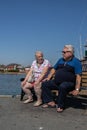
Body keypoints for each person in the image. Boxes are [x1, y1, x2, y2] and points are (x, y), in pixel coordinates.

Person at [42, 44, 82, 112]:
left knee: (62, 86)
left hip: (69, 84)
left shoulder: (76, 61)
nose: (62, 53)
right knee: (45, 84)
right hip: (57, 82)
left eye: (64, 52)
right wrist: (48, 78)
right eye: (62, 52)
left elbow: (78, 76)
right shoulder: (60, 60)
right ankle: (50, 102)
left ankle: (60, 105)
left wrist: (77, 89)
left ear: (70, 53)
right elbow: (53, 69)